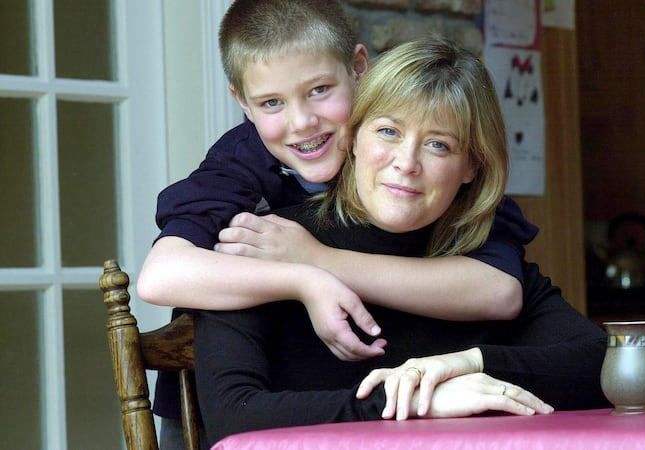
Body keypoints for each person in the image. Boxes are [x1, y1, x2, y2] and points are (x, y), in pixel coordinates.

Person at [137, 1, 536, 447]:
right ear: (242, 103)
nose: (303, 122)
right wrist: (306, 280)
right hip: (220, 416)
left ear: (359, 68)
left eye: (320, 89)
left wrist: (321, 260)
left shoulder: (391, 159)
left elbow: (500, 292)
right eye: (272, 102)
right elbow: (160, 277)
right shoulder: (239, 164)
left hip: (359, 399)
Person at [193, 36, 610, 447]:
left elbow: (605, 365)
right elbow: (233, 418)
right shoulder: (265, 244)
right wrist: (414, 402)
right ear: (352, 139)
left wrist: (465, 364)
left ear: (471, 166)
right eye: (389, 131)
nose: (407, 164)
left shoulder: (478, 260)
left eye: (438, 145)